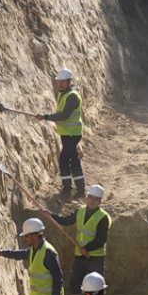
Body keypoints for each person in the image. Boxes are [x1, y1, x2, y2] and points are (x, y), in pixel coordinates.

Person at [43, 185, 112, 295]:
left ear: (100, 201)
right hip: (80, 255)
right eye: (90, 197)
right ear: (87, 197)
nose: (92, 200)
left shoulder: (103, 217)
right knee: (75, 282)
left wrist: (87, 248)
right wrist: (52, 215)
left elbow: (101, 239)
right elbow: (67, 220)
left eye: (96, 199)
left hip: (95, 257)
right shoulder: (80, 210)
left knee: (96, 284)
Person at [36, 67, 85, 197]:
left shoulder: (72, 96)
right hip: (68, 133)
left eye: (63, 82)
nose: (60, 84)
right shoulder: (65, 93)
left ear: (69, 81)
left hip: (72, 134)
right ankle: (80, 190)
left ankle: (68, 189)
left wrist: (46, 117)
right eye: (59, 82)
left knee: (64, 160)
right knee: (73, 160)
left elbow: (64, 115)